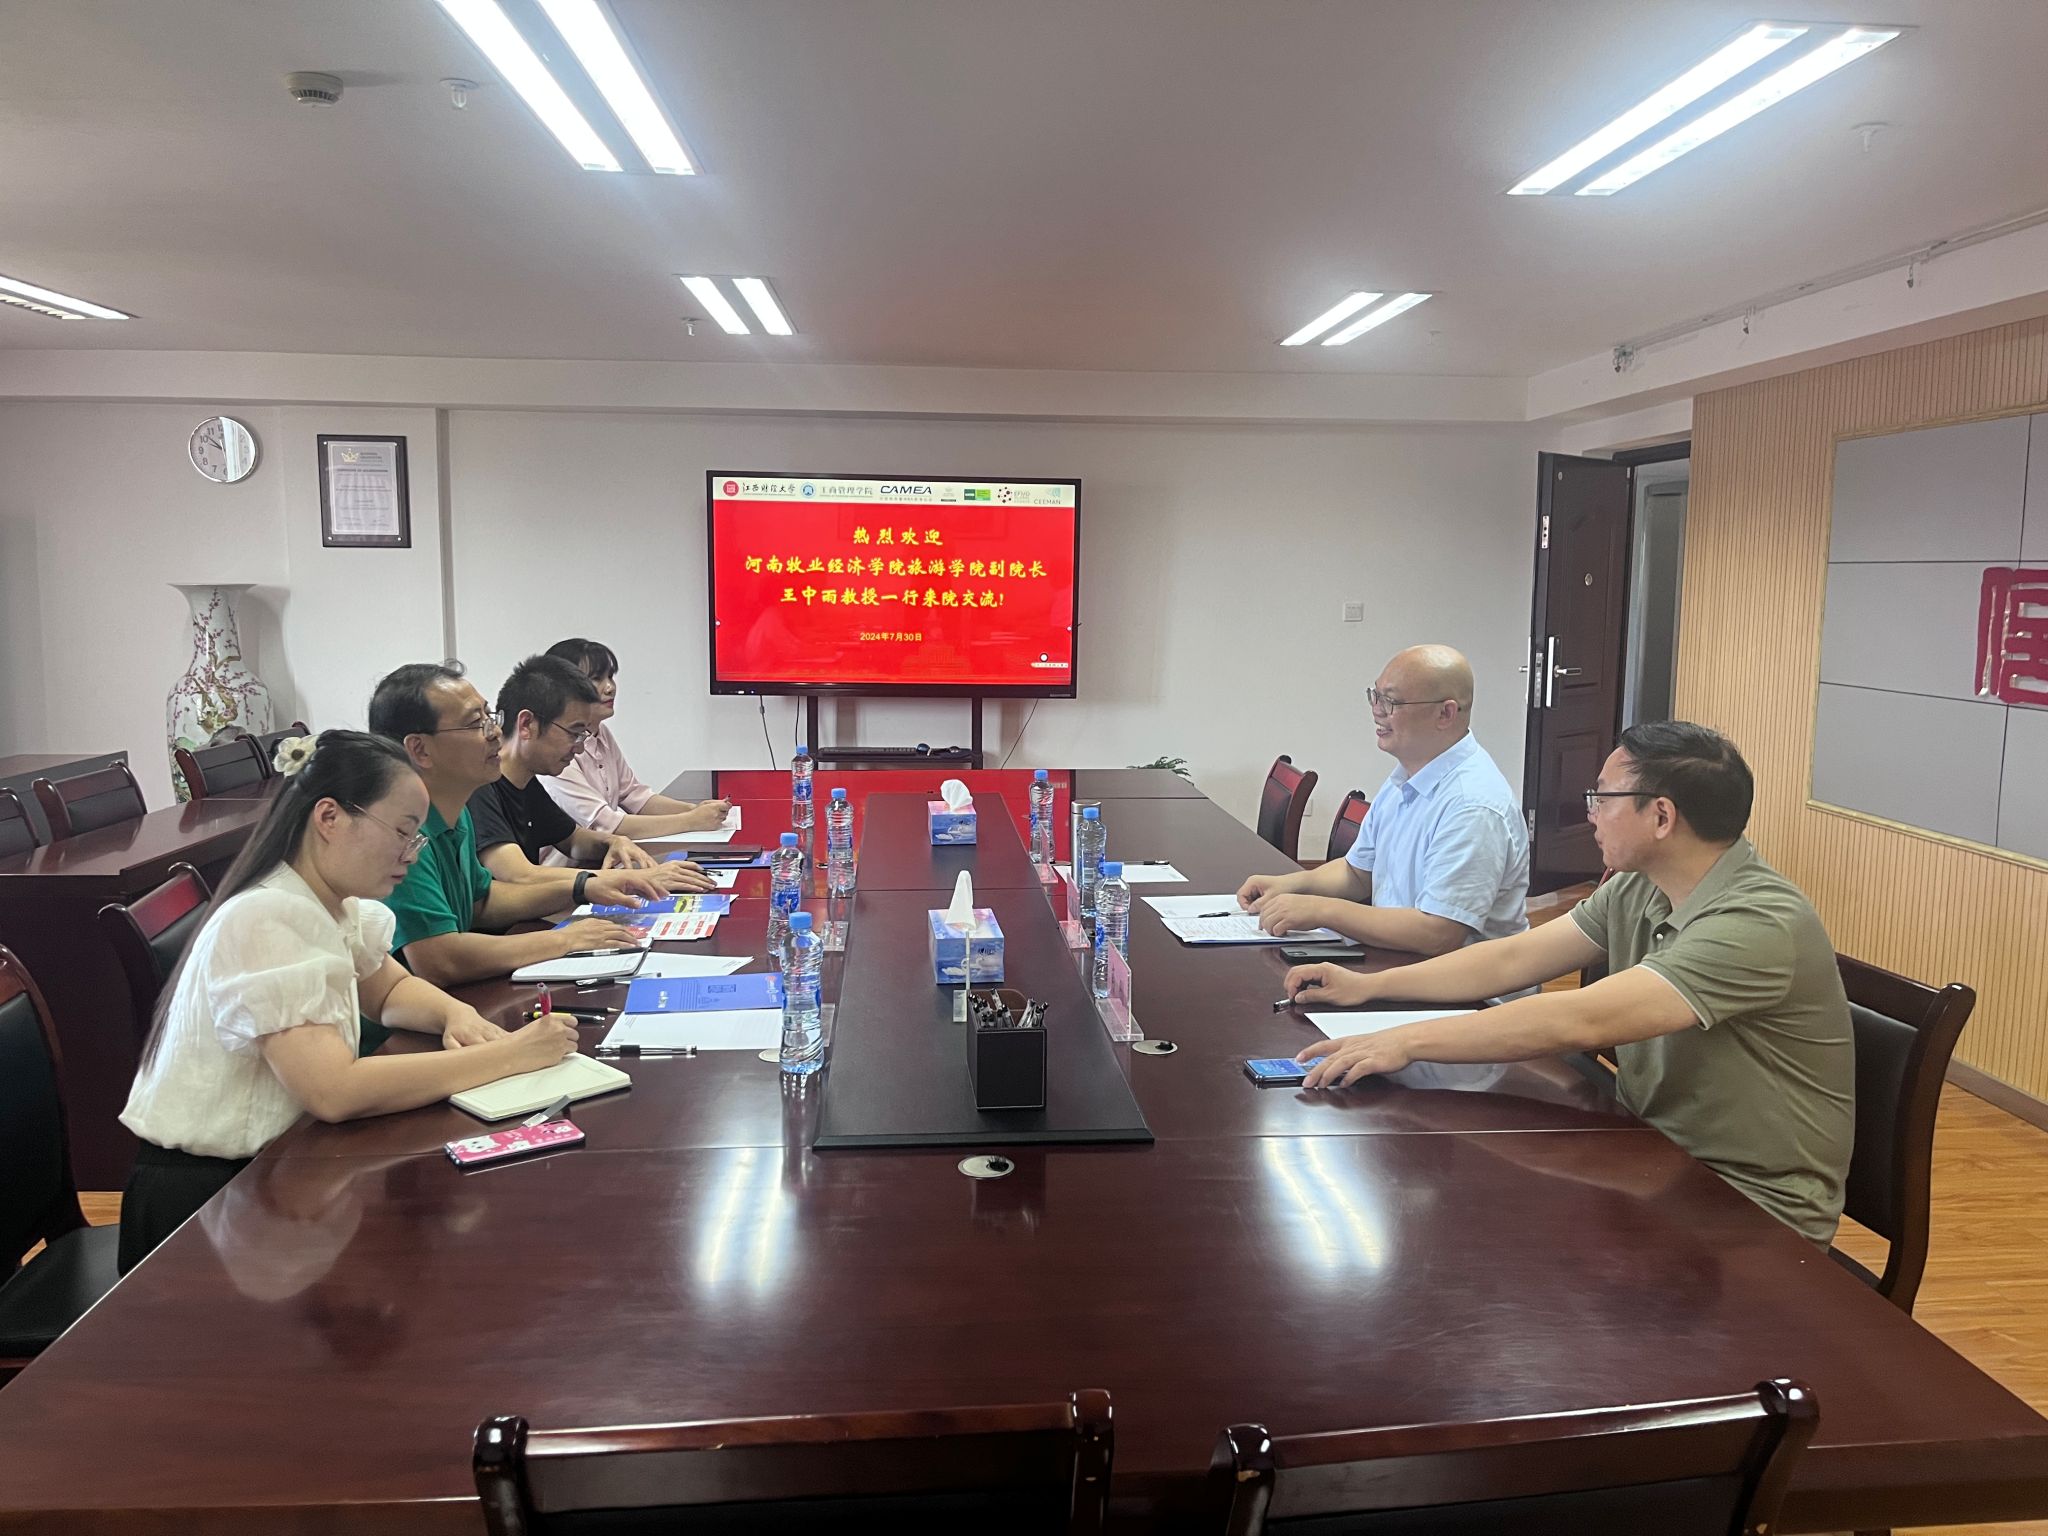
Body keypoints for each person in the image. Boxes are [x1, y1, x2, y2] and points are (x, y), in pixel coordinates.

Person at [1284, 721, 1855, 1247]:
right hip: (1650, 1152)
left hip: (1747, 1203)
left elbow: (1578, 1018)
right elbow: (1512, 959)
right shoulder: (1640, 885)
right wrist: (1371, 987)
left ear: (1661, 817)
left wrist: (1404, 1041)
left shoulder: (1756, 923)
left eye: (1602, 798)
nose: (1590, 814)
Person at [117, 730, 580, 1272]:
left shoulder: (332, 904)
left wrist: (454, 1014)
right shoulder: (266, 916)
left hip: (281, 1171)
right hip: (208, 1206)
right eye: (403, 832)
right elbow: (333, 1090)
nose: (411, 853)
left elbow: (389, 991)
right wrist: (509, 1056)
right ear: (330, 818)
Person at [367, 662, 656, 986]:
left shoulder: (455, 813)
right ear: (420, 750)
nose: (494, 732)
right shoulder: (399, 835)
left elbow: (482, 902)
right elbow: (439, 960)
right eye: (476, 723)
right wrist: (564, 940)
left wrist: (583, 887)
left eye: (490, 716)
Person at [1236, 645, 1528, 954]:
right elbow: (1357, 873)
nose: (1376, 710)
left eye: (1391, 701)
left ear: (1445, 713)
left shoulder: (1473, 805)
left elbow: (1439, 933)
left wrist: (1322, 910)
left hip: (1459, 980)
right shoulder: (1407, 776)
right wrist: (1290, 885)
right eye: (1375, 696)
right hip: (1397, 959)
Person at [470, 655, 716, 897]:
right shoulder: (479, 787)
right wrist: (633, 878)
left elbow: (573, 840)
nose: (579, 748)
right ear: (527, 725)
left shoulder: (526, 783)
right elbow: (520, 875)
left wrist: (612, 842)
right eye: (574, 733)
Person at [540, 637, 732, 838]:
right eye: (596, 679)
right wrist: (691, 821)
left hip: (606, 854)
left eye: (610, 677)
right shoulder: (556, 750)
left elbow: (634, 796)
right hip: (572, 859)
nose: (610, 687)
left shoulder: (600, 732)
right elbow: (605, 825)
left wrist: (694, 810)